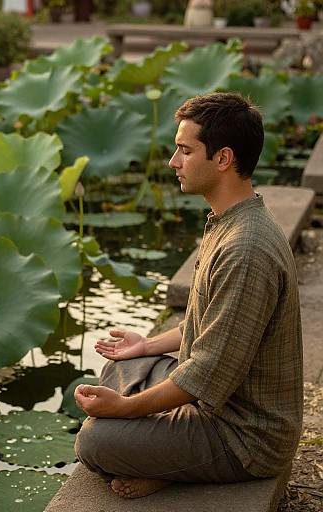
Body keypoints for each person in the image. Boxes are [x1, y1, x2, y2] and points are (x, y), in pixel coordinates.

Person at [74, 92, 303, 499]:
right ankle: (164, 453)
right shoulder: (229, 219)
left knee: (94, 442)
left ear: (222, 158)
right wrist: (144, 345)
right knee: (124, 366)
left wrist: (124, 410)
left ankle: (172, 465)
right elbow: (204, 322)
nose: (173, 162)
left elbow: (206, 373)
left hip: (243, 435)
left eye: (184, 150)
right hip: (215, 402)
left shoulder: (246, 249)